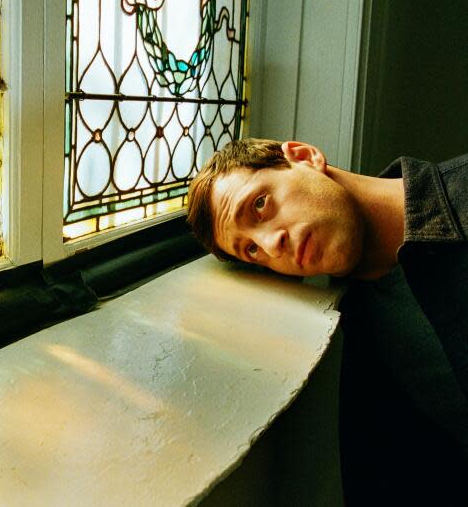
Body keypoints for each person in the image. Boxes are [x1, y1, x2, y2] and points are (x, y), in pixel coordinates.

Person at [186, 138, 468, 504]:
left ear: (304, 157)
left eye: (260, 205)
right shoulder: (365, 342)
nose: (273, 245)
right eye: (252, 251)